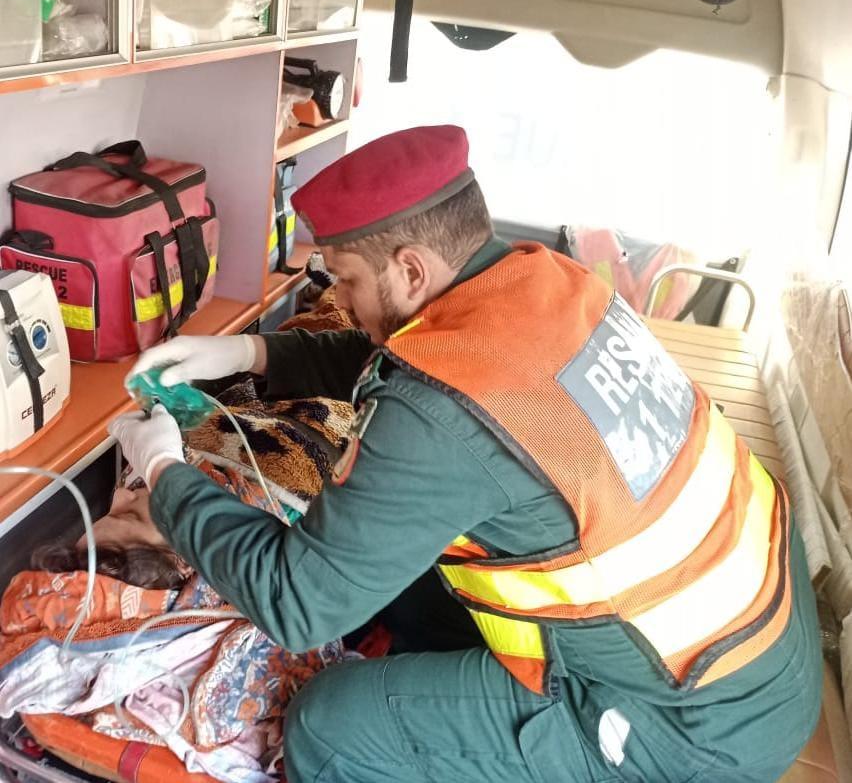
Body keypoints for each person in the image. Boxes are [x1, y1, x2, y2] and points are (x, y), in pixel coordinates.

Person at [110, 125, 822, 783]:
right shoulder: (551, 282)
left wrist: (166, 472)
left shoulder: (440, 414)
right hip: (757, 649)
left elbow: (298, 603)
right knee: (409, 576)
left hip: (683, 727)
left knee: (329, 727)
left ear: (412, 270)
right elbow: (415, 348)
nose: (344, 301)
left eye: (348, 280)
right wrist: (251, 350)